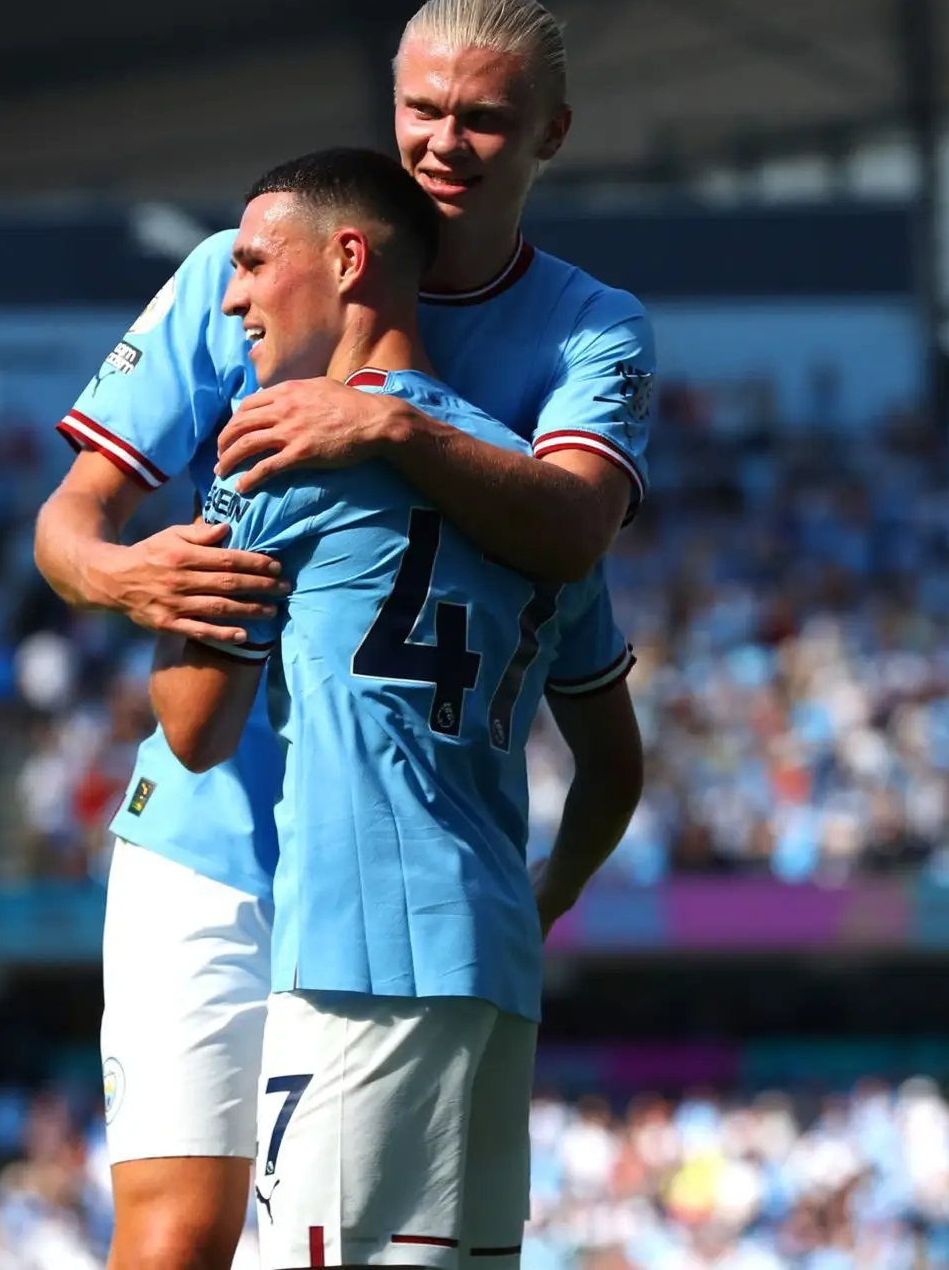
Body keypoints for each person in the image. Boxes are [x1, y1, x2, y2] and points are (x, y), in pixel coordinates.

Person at [33, 0, 653, 1270]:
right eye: (419, 108)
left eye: (481, 118)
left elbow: (574, 529)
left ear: (551, 133)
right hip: (215, 837)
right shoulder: (244, 264)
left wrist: (386, 423)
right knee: (176, 1240)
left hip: (390, 852)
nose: (439, 141)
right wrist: (128, 580)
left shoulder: (590, 330)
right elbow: (70, 525)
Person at [149, 146, 644, 1267]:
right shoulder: (538, 491)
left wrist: (170, 579)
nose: (231, 295)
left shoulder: (276, 449)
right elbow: (613, 764)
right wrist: (547, 897)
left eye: (251, 263)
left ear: (348, 258)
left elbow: (193, 728)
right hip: (491, 968)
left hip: (350, 959)